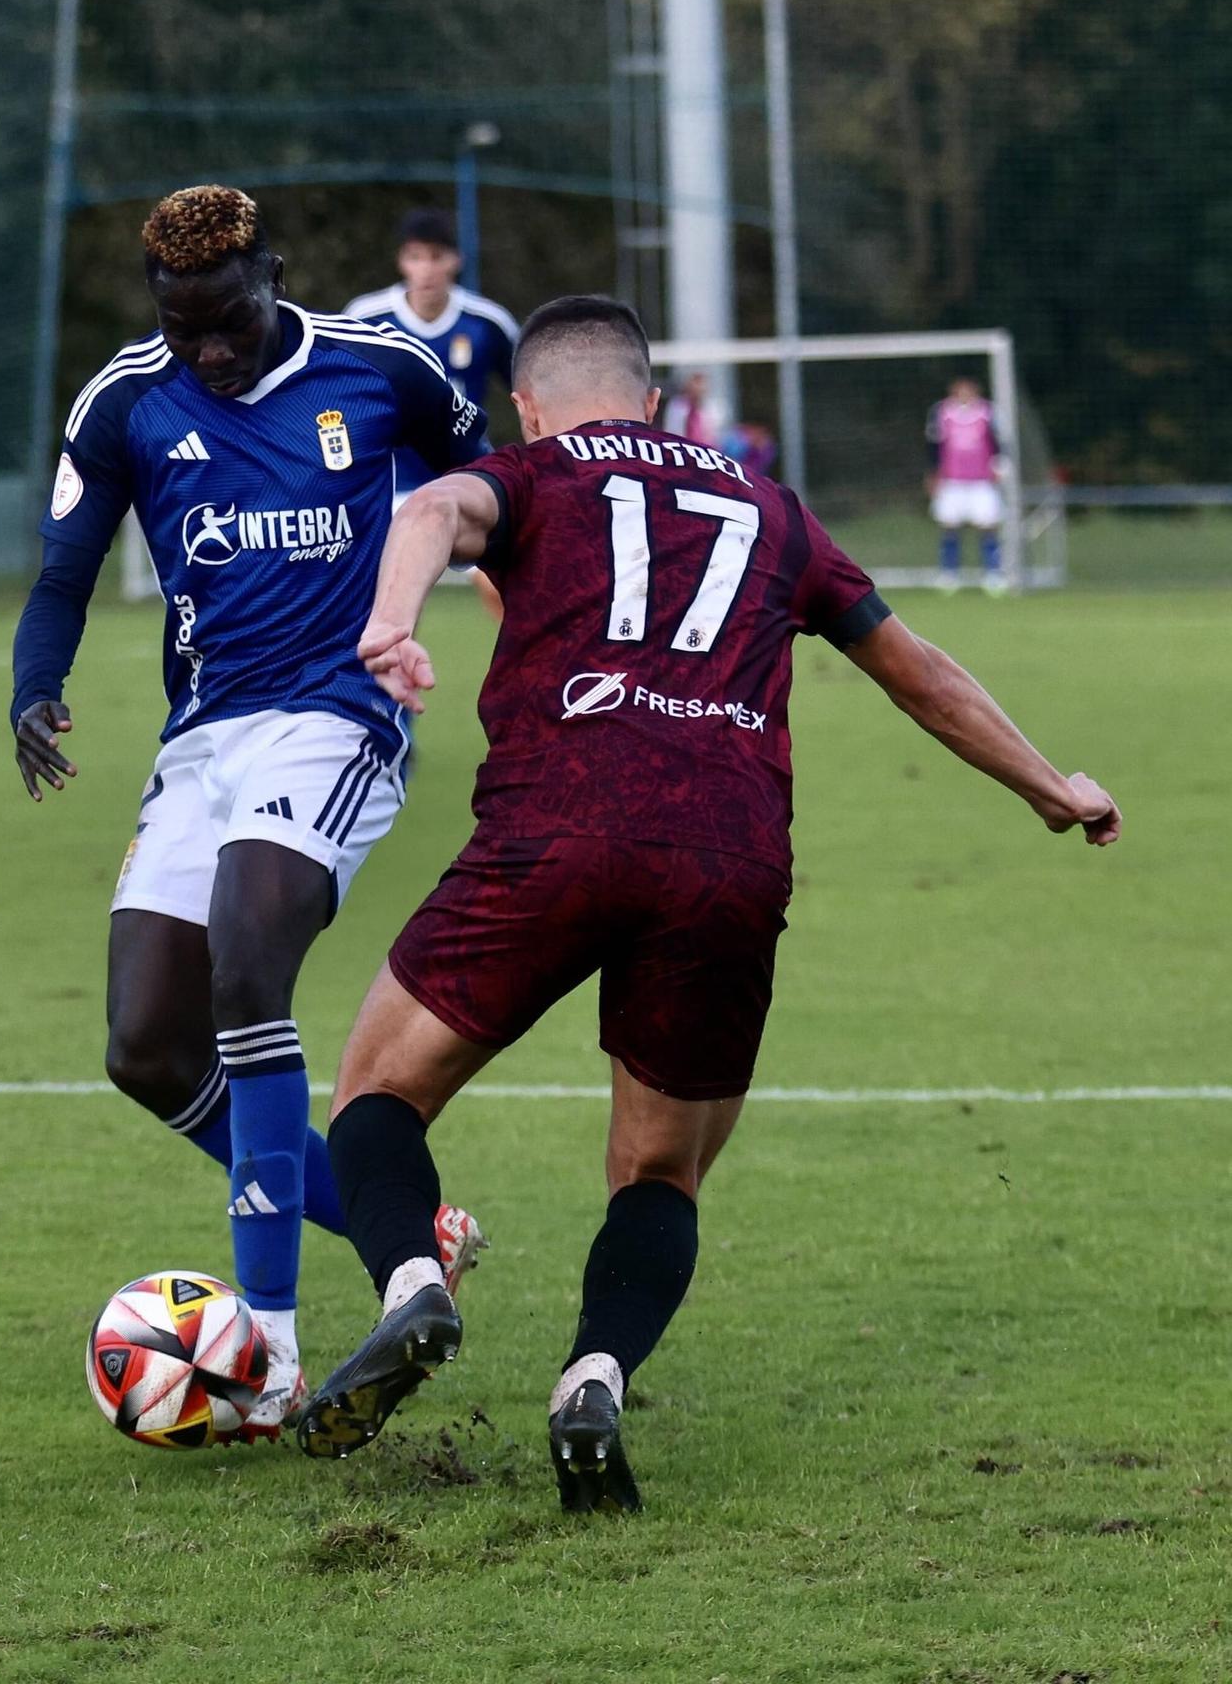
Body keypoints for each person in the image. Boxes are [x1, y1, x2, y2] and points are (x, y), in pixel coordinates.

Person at [294, 294, 1121, 1511]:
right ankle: (595, 1372)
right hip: (728, 850)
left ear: (530, 403)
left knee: (376, 1092)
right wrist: (1052, 785)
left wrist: (390, 622)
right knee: (660, 1171)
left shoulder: (531, 473)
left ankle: (417, 1278)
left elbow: (430, 507)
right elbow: (918, 670)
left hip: (559, 824)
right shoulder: (772, 508)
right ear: (655, 395)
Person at [10, 185, 490, 1438]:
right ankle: (410, 1234)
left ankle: (269, 1351)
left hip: (340, 716)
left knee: (243, 975)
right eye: (185, 331)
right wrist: (33, 687)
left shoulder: (385, 369)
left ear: (269, 275)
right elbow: (64, 568)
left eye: (227, 323)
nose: (209, 352)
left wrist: (489, 616)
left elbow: (491, 493)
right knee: (146, 1041)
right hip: (204, 734)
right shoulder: (126, 396)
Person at [344, 207, 518, 495]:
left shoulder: (488, 322)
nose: (426, 269)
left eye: (436, 256)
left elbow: (528, 396)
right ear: (401, 261)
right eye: (415, 257)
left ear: (456, 260)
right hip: (387, 487)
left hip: (467, 482)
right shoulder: (365, 318)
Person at [926, 376, 1005, 589]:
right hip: (952, 480)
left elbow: (998, 443)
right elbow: (933, 445)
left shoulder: (988, 412)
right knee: (949, 525)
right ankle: (949, 574)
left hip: (981, 480)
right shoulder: (941, 412)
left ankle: (993, 574)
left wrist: (999, 466)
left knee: (988, 525)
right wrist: (933, 474)